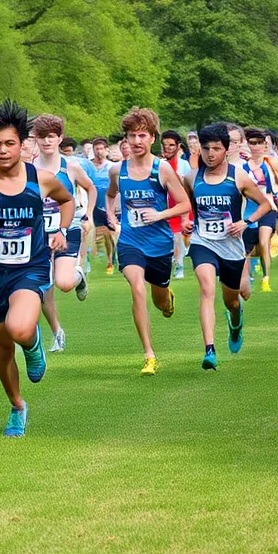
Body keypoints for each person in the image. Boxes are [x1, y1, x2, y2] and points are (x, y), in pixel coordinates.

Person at [0, 101, 75, 438]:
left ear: (23, 144)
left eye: (9, 143)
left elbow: (67, 201)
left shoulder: (42, 179)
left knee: (20, 329)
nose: (3, 150)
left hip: (30, 268)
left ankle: (34, 344)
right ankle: (18, 406)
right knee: (3, 346)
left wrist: (61, 231)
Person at [106, 108, 191, 375]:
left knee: (160, 301)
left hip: (160, 243)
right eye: (132, 135)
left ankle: (167, 297)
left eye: (142, 135)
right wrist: (112, 217)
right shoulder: (117, 170)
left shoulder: (161, 169)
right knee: (136, 289)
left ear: (152, 137)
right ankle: (149, 355)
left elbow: (185, 203)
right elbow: (109, 196)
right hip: (131, 242)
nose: (137, 141)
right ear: (126, 139)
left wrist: (161, 214)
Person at [181, 125, 273, 370]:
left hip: (231, 246)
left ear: (226, 149)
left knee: (231, 300)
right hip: (203, 242)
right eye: (206, 148)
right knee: (206, 289)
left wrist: (245, 222)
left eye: (216, 148)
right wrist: (188, 224)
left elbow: (265, 205)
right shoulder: (191, 178)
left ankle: (236, 321)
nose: (210, 154)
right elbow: (190, 208)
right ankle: (209, 350)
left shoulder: (238, 177)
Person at [32, 115, 95, 353]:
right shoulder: (29, 168)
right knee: (44, 285)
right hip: (39, 233)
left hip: (68, 228)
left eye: (51, 136)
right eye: (42, 137)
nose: (47, 141)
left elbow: (90, 188)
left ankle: (78, 275)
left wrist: (87, 213)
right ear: (35, 139)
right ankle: (57, 332)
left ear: (59, 138)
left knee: (64, 283)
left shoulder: (71, 167)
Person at [240, 128, 278, 292]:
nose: (256, 146)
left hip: (268, 207)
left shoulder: (271, 162)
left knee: (264, 240)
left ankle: (266, 279)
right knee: (246, 248)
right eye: (253, 143)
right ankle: (248, 277)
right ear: (248, 145)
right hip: (249, 209)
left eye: (260, 143)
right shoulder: (242, 166)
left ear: (265, 145)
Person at [160, 130, 191, 280]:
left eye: (171, 145)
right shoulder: (159, 164)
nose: (168, 148)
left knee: (178, 237)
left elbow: (188, 188)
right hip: (164, 206)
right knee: (171, 239)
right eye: (165, 145)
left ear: (178, 146)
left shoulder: (184, 165)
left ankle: (179, 265)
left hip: (180, 206)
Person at [83, 136, 116, 274]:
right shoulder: (87, 166)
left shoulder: (111, 166)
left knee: (109, 234)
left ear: (106, 150)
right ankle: (86, 260)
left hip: (106, 203)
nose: (99, 152)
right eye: (97, 149)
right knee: (87, 232)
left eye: (102, 149)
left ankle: (110, 261)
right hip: (91, 203)